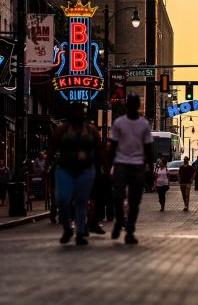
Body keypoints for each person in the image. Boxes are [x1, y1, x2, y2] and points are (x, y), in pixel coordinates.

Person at [46, 102, 101, 245]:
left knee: (81, 203)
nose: (78, 114)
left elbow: (100, 152)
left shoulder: (91, 131)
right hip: (65, 169)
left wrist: (103, 170)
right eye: (75, 111)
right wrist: (46, 167)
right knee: (62, 200)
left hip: (86, 170)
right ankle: (67, 228)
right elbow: (52, 149)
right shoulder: (61, 130)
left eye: (80, 111)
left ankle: (80, 232)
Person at [109, 92, 154, 245]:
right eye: (131, 103)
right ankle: (119, 221)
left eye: (135, 103)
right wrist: (108, 166)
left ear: (138, 106)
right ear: (127, 105)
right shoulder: (119, 123)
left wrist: (150, 170)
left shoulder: (144, 124)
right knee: (117, 196)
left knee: (135, 202)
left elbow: (148, 149)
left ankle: (129, 231)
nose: (133, 106)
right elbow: (113, 147)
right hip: (121, 163)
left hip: (137, 165)